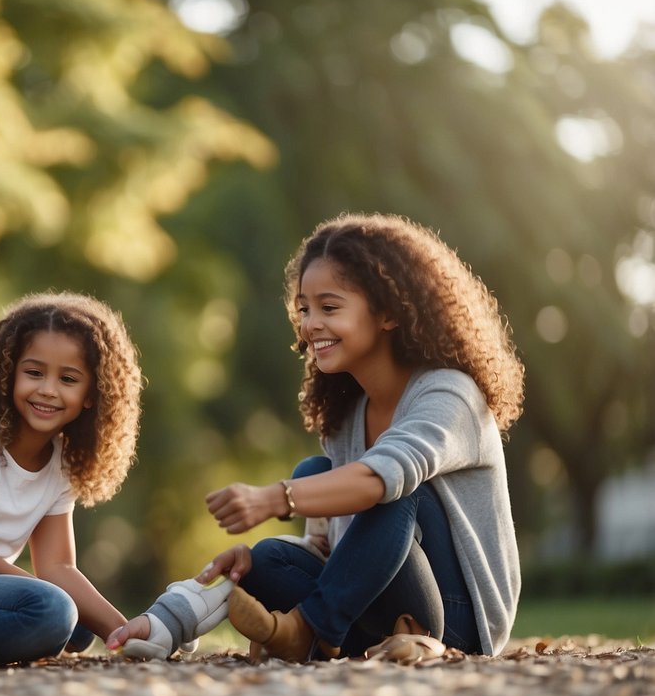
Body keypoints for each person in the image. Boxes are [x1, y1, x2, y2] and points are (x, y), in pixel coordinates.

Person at [109, 212, 524, 661]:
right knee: (267, 556)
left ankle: (307, 629)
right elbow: (337, 554)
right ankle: (317, 630)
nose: (310, 325)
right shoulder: (349, 414)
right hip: (374, 615)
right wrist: (199, 598)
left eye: (329, 308)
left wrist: (276, 498)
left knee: (391, 489)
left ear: (387, 311)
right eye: (304, 309)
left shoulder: (449, 393)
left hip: (457, 624)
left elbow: (382, 482)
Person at [0, 292, 143, 666]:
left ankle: (5, 629)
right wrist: (39, 589)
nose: (48, 389)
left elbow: (58, 566)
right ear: (7, 375)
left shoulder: (61, 463)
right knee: (53, 608)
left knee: (78, 622)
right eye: (34, 373)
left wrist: (125, 630)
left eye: (68, 379)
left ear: (90, 395)